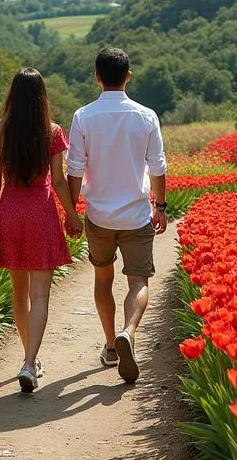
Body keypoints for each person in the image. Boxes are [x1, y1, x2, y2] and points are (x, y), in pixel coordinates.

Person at [66, 48, 167, 384]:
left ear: (97, 77)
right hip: (137, 215)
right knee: (138, 281)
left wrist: (71, 212)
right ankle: (129, 330)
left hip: (99, 216)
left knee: (103, 279)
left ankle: (111, 345)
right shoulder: (146, 116)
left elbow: (75, 169)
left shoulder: (83, 116)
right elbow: (158, 167)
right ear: (128, 76)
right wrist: (161, 207)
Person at [0, 68, 83, 394]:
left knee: (19, 292)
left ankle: (29, 359)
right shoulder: (52, 133)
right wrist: (71, 216)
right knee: (40, 294)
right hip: (41, 212)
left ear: (12, 95)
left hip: (11, 212)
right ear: (42, 98)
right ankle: (29, 361)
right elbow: (60, 179)